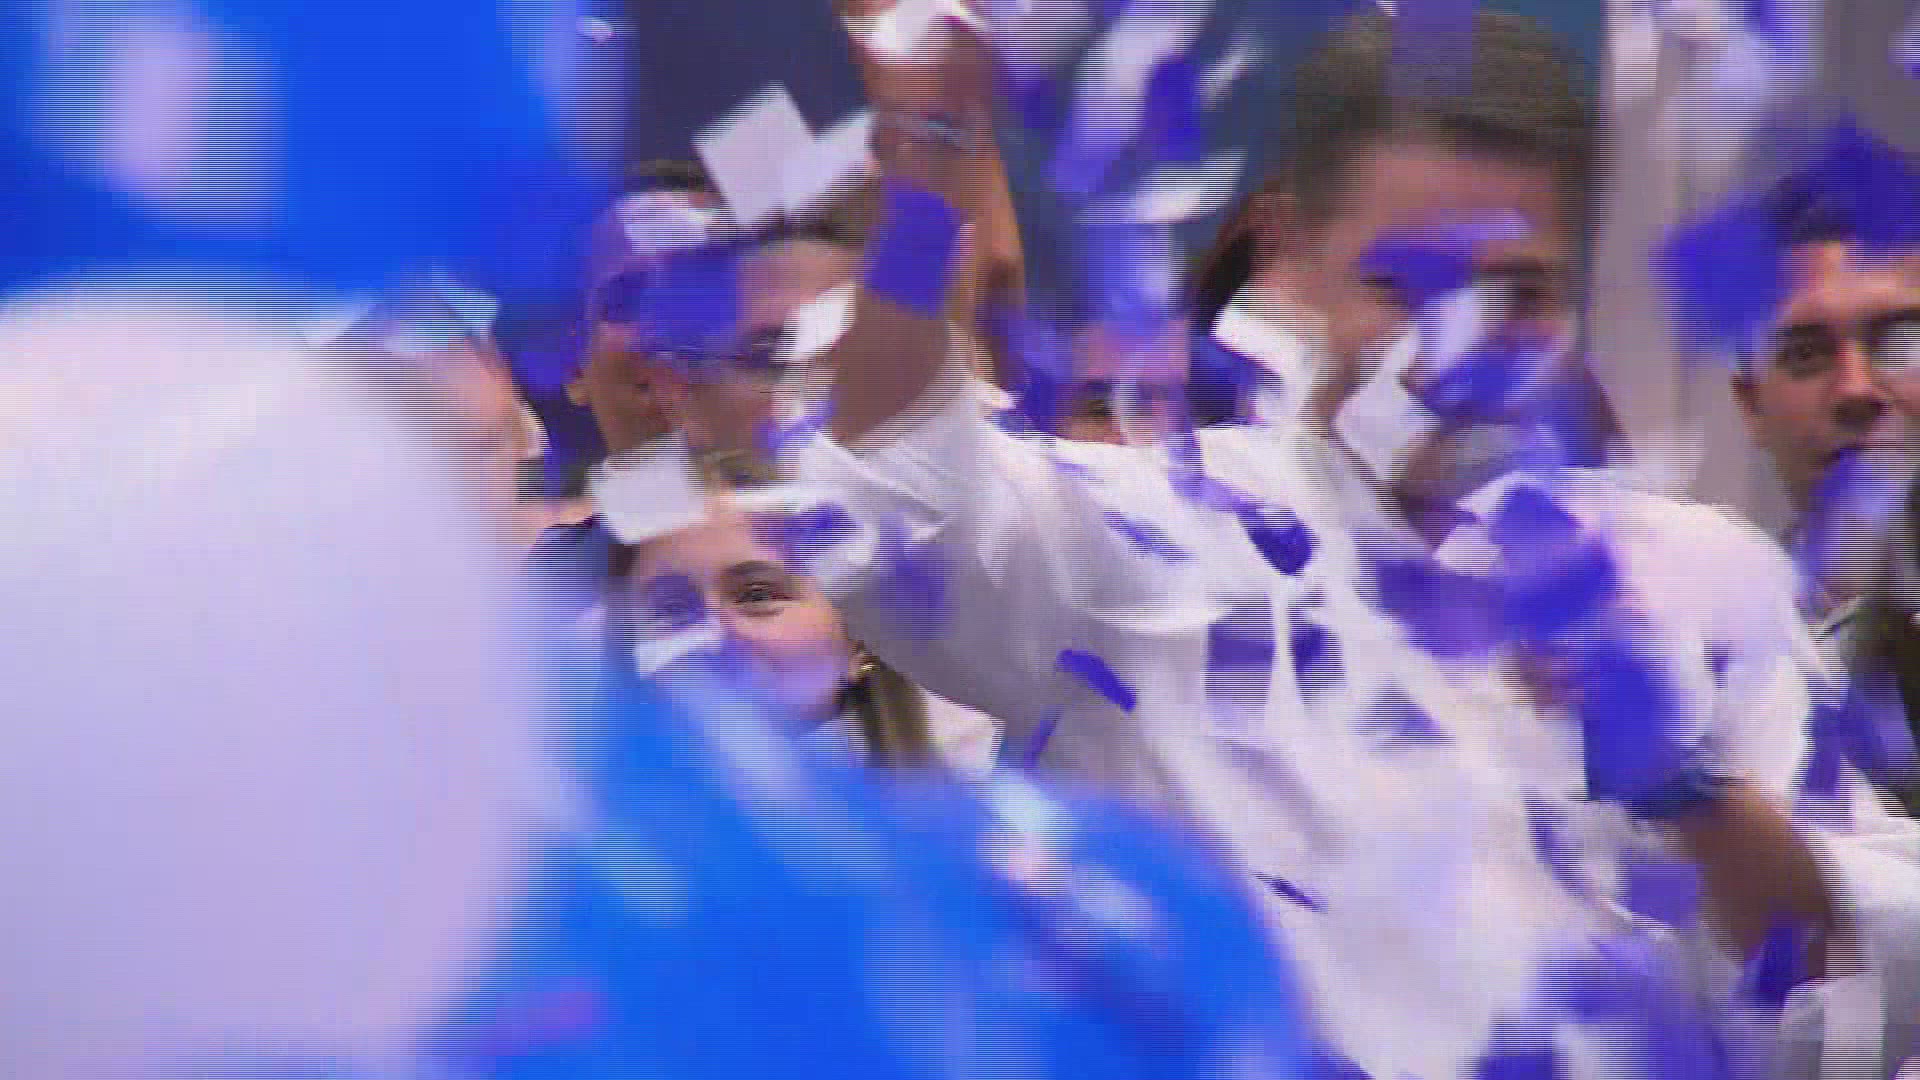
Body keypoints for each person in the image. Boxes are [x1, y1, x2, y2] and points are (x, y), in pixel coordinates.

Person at [774, 9, 1858, 1079]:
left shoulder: (1700, 580)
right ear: (1295, 257)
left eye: (1518, 292)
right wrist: (928, 170)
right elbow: (899, 493)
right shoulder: (1157, 536)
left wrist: (1687, 790)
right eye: (1404, 286)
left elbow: (1855, 979)